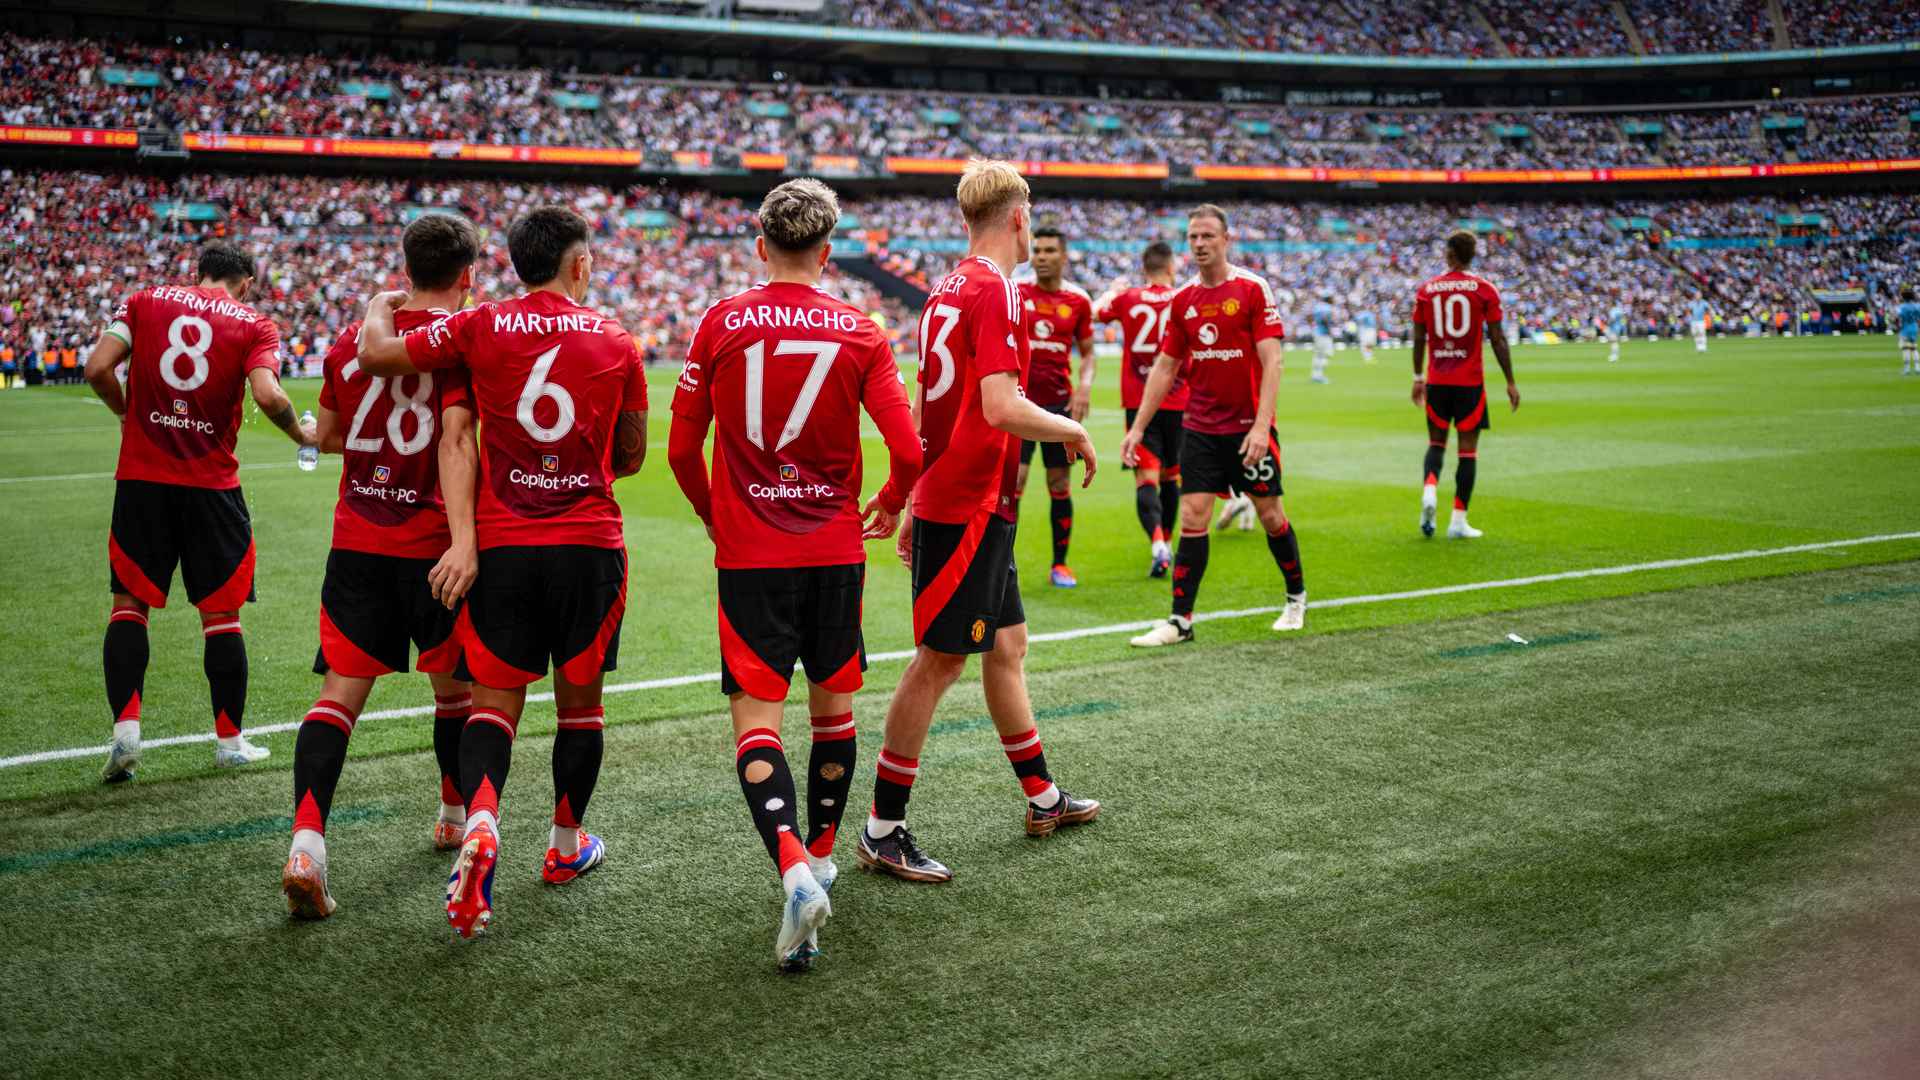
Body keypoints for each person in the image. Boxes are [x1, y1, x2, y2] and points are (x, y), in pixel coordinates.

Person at [356, 206, 649, 938]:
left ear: (515, 264)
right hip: (588, 543)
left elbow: (378, 357)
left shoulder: (478, 326)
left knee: (494, 704)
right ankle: (563, 849)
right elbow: (632, 455)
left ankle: (481, 818)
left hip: (502, 545)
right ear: (579, 266)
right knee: (581, 709)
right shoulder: (617, 340)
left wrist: (374, 307)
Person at [668, 178, 924, 971]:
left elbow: (681, 449)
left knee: (756, 724)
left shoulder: (720, 320)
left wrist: (716, 513)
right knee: (834, 714)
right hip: (834, 549)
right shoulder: (861, 330)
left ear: (759, 247)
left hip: (751, 554)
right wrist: (885, 501)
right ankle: (819, 855)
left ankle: (791, 868)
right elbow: (910, 451)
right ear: (827, 250)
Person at [862, 159, 1102, 885]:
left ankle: (1042, 796)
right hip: (966, 504)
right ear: (1019, 218)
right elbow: (998, 406)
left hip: (968, 500)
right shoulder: (996, 290)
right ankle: (882, 827)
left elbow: (933, 404)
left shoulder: (945, 287)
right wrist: (1072, 430)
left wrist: (913, 496)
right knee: (939, 662)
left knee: (1009, 646)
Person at [281, 213, 484, 921]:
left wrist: (303, 427)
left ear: (406, 268)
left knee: (338, 698)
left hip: (359, 539)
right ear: (467, 275)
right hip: (437, 546)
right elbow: (463, 440)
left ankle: (307, 844)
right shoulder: (460, 344)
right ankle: (455, 816)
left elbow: (329, 437)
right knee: (454, 693)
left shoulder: (350, 342)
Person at [84, 241, 317, 782]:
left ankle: (126, 735)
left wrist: (128, 415)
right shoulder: (254, 323)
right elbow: (270, 395)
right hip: (211, 485)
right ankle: (230, 742)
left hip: (142, 480)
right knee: (221, 617)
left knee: (128, 607)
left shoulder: (144, 301)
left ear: (199, 273)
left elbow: (98, 368)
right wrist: (299, 435)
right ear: (246, 282)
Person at [1125, 205, 1303, 647]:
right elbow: (1165, 368)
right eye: (1193, 237)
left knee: (1270, 515)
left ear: (1227, 239)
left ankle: (1296, 598)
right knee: (1192, 515)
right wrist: (1137, 429)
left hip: (1248, 429)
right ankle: (1180, 620)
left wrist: (1262, 427)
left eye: (1207, 236)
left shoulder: (1252, 289)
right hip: (1201, 428)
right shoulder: (1183, 301)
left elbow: (1272, 359)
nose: (1200, 244)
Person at [1411, 230, 1520, 541]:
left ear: (1449, 254)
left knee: (1436, 444)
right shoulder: (1484, 289)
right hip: (1469, 382)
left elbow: (1419, 337)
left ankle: (1430, 489)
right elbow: (1497, 339)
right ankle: (1458, 519)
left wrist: (1418, 377)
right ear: (1472, 255)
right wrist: (1510, 381)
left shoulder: (1427, 289)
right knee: (1467, 453)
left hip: (1438, 380)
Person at [1092, 240, 1183, 578]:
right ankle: (1169, 542)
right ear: (1170, 268)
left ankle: (1158, 544)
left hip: (1137, 400)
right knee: (1172, 476)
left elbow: (1092, 312)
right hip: (1177, 400)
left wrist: (1112, 290)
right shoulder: (1182, 298)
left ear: (1144, 269)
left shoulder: (1128, 299)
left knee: (1145, 479)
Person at [1013, 225, 1095, 588]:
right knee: (1013, 483)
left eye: (1049, 251)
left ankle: (1060, 564)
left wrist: (1085, 387)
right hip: (1017, 405)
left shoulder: (1078, 300)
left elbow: (1089, 353)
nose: (1041, 257)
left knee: (1059, 483)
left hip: (1059, 406)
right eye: (1037, 250)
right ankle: (1002, 564)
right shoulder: (1016, 294)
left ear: (1064, 256)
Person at [1309, 291, 1335, 384]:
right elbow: (1325, 319)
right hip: (1323, 333)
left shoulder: (1317, 306)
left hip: (1317, 332)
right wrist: (1329, 330)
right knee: (1326, 354)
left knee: (1318, 354)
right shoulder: (1327, 307)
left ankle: (1315, 375)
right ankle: (1319, 376)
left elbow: (1310, 317)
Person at [1896, 288, 1920, 376]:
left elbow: (1898, 318)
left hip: (1905, 329)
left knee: (1905, 349)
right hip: (1914, 328)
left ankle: (1907, 369)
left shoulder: (1902, 307)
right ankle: (1918, 368)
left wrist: (1898, 329)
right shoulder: (1917, 306)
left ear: (1903, 297)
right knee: (1913, 348)